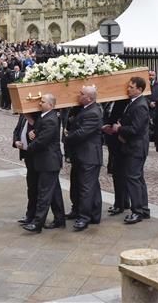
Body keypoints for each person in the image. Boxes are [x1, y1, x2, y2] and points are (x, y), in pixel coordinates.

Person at [21, 94, 65, 233]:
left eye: (43, 101)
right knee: (55, 192)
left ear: (51, 105)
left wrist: (28, 146)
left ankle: (37, 223)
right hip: (45, 161)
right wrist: (33, 133)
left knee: (44, 194)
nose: (40, 103)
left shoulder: (51, 119)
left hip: (49, 161)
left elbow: (42, 141)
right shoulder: (43, 116)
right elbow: (37, 132)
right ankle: (59, 219)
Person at [63, 86, 103, 231]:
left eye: (81, 94)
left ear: (89, 98)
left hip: (89, 156)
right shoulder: (83, 109)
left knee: (87, 187)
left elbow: (82, 133)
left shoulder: (93, 112)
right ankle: (82, 210)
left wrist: (67, 137)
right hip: (80, 155)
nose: (78, 95)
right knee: (78, 184)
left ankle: (85, 217)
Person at [117, 77, 151, 224]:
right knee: (137, 178)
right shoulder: (134, 103)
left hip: (136, 148)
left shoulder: (140, 105)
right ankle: (143, 209)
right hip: (133, 146)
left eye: (131, 87)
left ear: (139, 89)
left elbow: (136, 129)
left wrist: (120, 129)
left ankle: (138, 211)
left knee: (133, 179)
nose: (128, 89)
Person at [102, 96, 129, 217]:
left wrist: (116, 129)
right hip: (112, 141)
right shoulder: (110, 101)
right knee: (117, 172)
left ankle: (120, 203)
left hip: (120, 141)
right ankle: (123, 201)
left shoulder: (123, 102)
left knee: (119, 172)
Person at [13, 111, 37, 226]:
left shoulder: (36, 116)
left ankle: (36, 216)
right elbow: (17, 130)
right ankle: (30, 214)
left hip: (36, 156)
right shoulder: (23, 115)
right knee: (31, 187)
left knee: (37, 188)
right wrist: (16, 141)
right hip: (27, 155)